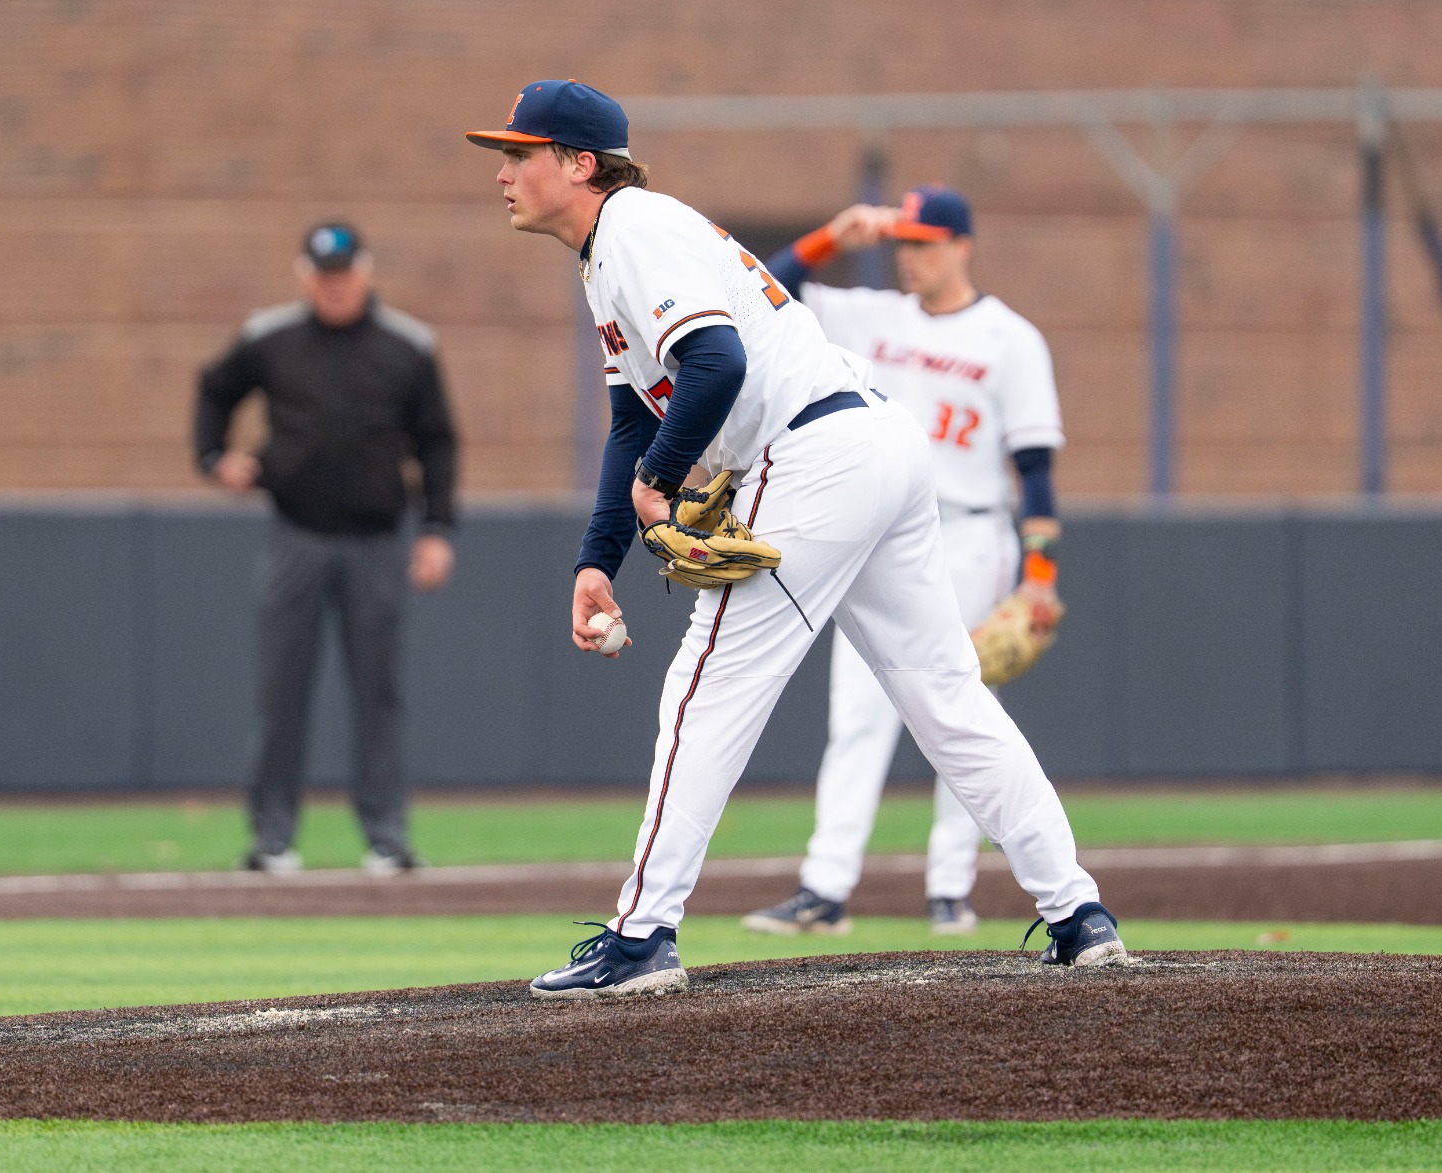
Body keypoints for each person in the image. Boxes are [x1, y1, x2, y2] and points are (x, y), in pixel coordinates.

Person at [463, 79, 1124, 1000]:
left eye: (519, 153)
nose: (501, 171)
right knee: (945, 693)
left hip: (815, 453)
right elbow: (628, 423)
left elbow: (717, 361)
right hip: (879, 444)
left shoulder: (634, 228)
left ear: (579, 164)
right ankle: (1079, 913)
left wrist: (659, 482)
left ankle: (642, 932)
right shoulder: (613, 250)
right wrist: (596, 560)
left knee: (706, 684)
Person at [740, 188, 1065, 938]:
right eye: (903, 244)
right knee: (857, 715)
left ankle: (951, 884)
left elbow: (1036, 465)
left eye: (924, 243)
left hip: (971, 531)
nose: (910, 257)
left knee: (962, 702)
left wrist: (1040, 573)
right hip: (876, 527)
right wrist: (830, 237)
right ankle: (825, 887)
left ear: (962, 245)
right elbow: (765, 292)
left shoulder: (1010, 338)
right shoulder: (870, 314)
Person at [194, 222, 458, 876]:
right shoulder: (270, 337)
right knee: (281, 692)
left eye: (343, 272)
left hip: (376, 540)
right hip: (296, 535)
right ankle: (272, 838)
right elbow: (214, 387)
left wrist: (437, 529)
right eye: (322, 273)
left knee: (379, 693)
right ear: (304, 275)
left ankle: (386, 837)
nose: (334, 285)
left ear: (365, 272)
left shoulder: (408, 346)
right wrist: (212, 457)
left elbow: (438, 441)